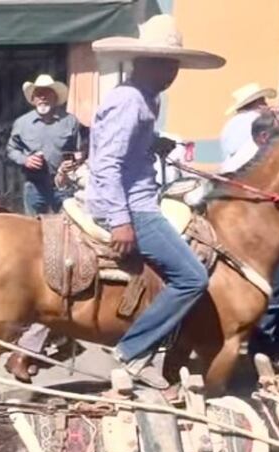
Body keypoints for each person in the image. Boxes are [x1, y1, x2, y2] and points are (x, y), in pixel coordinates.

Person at [88, 15, 223, 388]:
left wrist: (152, 143)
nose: (172, 73)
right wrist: (120, 220)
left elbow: (124, 150)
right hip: (131, 205)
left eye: (175, 65)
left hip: (137, 197)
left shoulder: (147, 98)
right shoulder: (130, 101)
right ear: (144, 62)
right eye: (166, 64)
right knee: (192, 277)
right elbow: (107, 162)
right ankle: (132, 352)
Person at [6, 74, 81, 216]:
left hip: (64, 186)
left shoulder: (70, 121)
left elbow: (79, 151)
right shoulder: (22, 123)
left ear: (55, 98)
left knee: (66, 224)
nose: (42, 97)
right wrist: (25, 160)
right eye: (38, 93)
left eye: (47, 92)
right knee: (33, 226)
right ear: (33, 99)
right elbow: (11, 149)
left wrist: (74, 162)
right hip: (34, 186)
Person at [219, 83, 276, 174]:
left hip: (227, 170)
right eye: (263, 102)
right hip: (249, 172)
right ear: (259, 104)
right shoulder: (258, 120)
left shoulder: (230, 123)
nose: (266, 104)